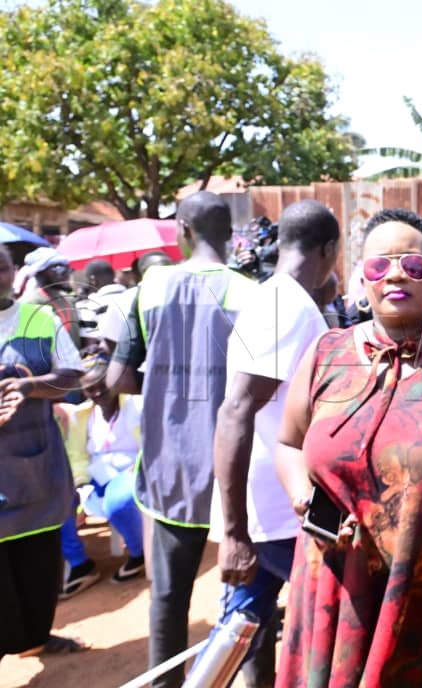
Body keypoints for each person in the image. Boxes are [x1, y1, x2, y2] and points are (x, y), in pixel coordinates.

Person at [273, 208, 422, 687]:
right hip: (332, 590)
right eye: (380, 265)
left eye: (413, 264)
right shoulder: (325, 353)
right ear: (363, 279)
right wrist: (304, 497)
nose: (396, 274)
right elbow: (288, 443)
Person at [107, 191, 256, 688]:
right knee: (244, 602)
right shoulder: (253, 293)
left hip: (168, 469)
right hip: (236, 472)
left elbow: (118, 379)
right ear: (228, 234)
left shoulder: (149, 288)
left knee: (168, 600)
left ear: (184, 230)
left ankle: (164, 683)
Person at [210, 200, 340, 688]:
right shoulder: (286, 305)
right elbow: (235, 410)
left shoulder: (284, 299)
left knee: (240, 638)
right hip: (278, 515)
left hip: (270, 509)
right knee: (320, 633)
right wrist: (235, 533)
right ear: (330, 248)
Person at [0, 244, 87, 658]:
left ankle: (36, 640)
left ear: (14, 273)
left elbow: (72, 378)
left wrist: (29, 386)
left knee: (39, 570)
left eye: (0, 269)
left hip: (37, 470)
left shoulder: (39, 317)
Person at [57, 352, 145, 598]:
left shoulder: (136, 405)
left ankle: (139, 554)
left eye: (102, 386)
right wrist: (81, 483)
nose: (96, 393)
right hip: (96, 476)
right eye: (89, 389)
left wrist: (135, 468)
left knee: (118, 502)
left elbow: (152, 448)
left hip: (132, 471)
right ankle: (80, 564)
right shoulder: (83, 416)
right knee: (58, 500)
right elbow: (78, 456)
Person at [95, 251, 173, 355]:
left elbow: (110, 342)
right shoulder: (124, 300)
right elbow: (111, 341)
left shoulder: (183, 294)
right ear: (143, 272)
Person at [19, 247, 81, 349]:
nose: (66, 272)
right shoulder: (31, 303)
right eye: (58, 268)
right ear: (39, 272)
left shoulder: (69, 300)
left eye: (67, 267)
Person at [76, 259, 126, 349]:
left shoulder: (89, 307)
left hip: (110, 358)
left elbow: (90, 343)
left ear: (93, 279)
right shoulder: (132, 296)